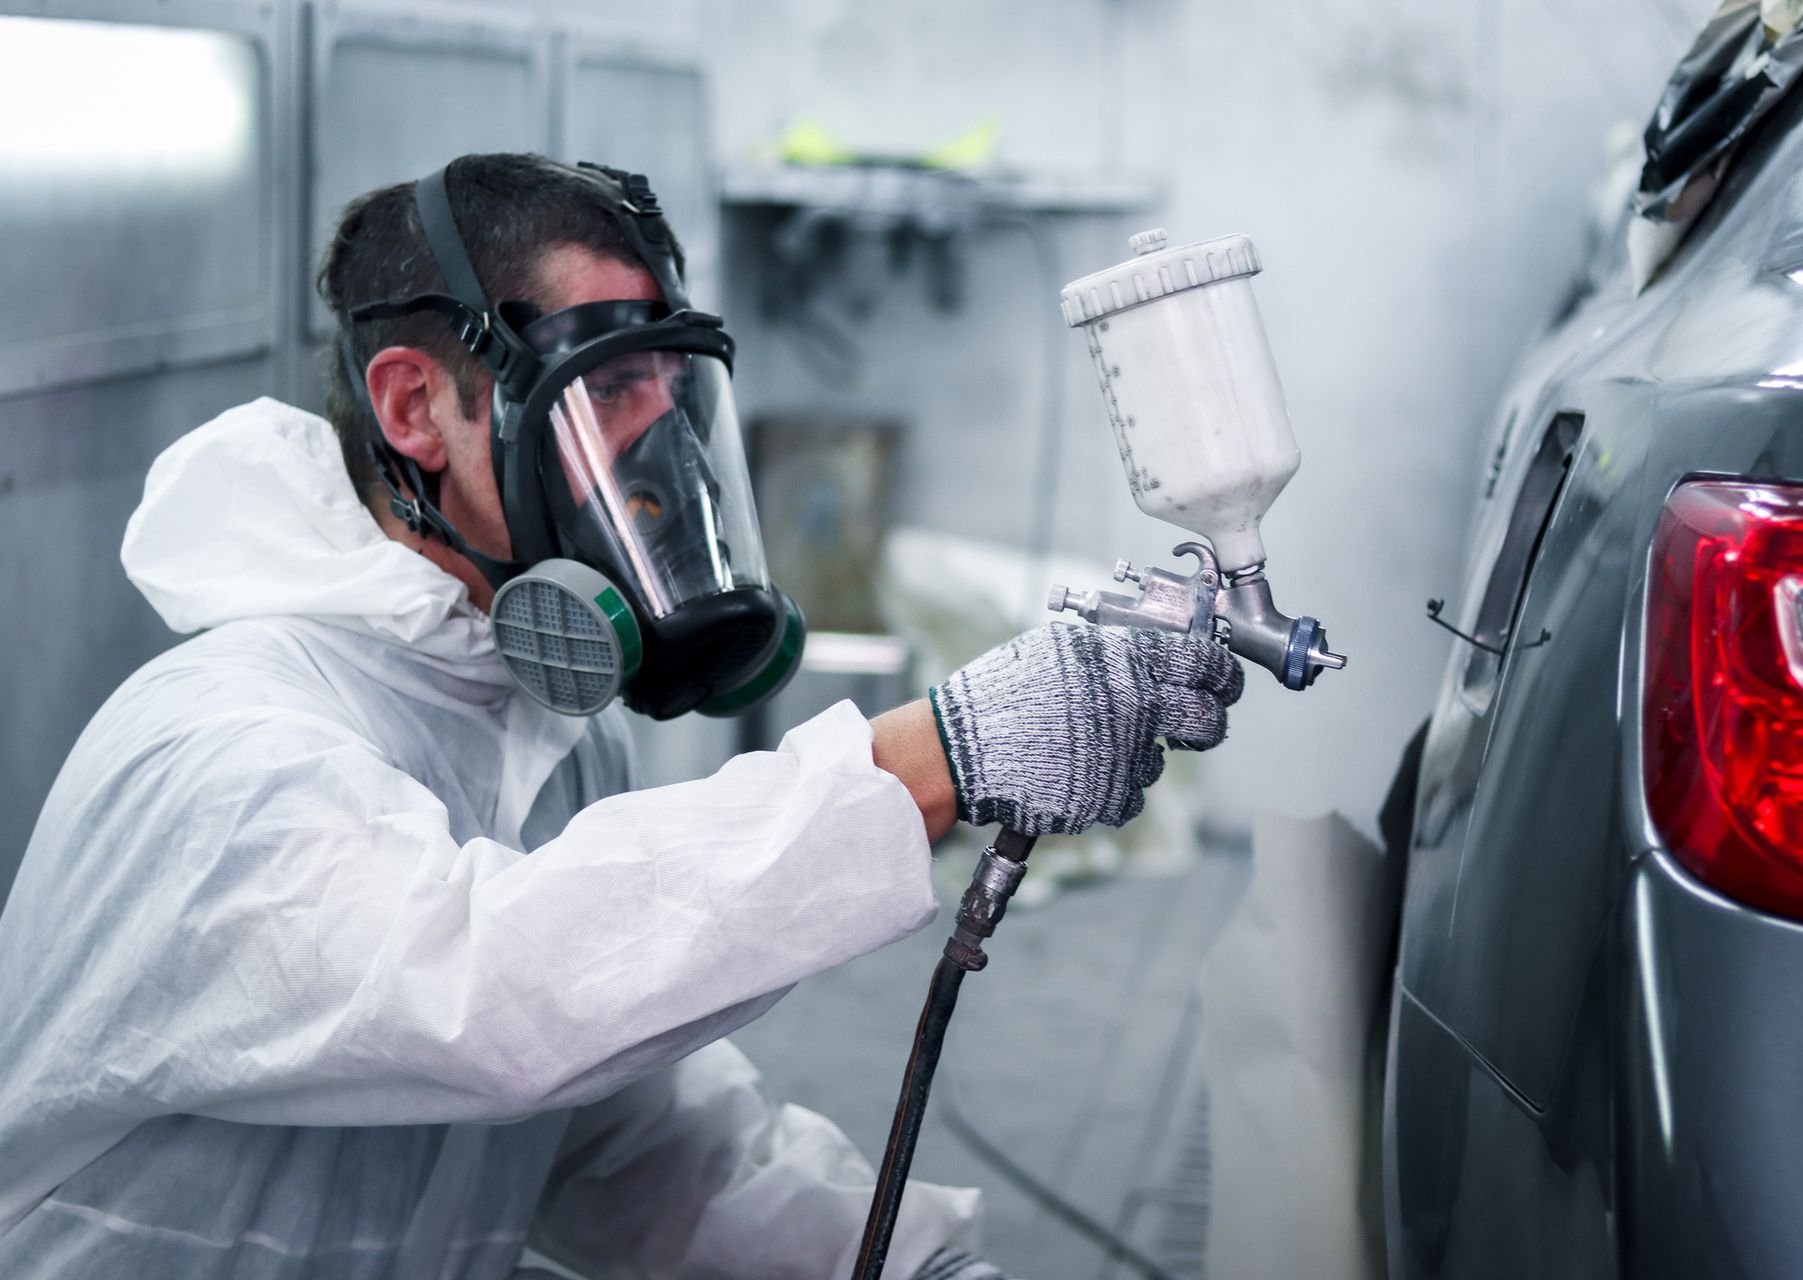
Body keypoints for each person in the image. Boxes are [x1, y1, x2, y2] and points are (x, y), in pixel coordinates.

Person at [0, 153, 1244, 1279]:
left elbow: (623, 1131)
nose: (665, 455)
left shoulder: (533, 723)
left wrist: (894, 1259)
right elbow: (492, 994)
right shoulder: (223, 746)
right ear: (415, 407)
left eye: (671, 384)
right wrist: (928, 759)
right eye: (608, 387)